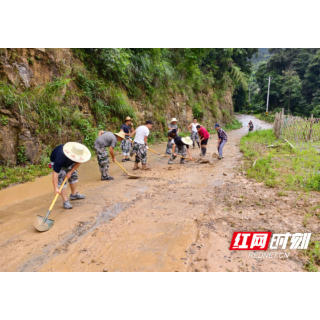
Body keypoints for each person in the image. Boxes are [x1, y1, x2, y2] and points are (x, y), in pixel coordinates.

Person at [50, 142, 91, 209]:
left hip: (68, 162)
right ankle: (65, 201)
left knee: (74, 176)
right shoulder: (60, 156)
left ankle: (74, 195)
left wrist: (70, 172)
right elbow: (55, 173)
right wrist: (56, 188)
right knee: (62, 180)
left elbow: (78, 163)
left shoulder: (78, 153)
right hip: (58, 162)